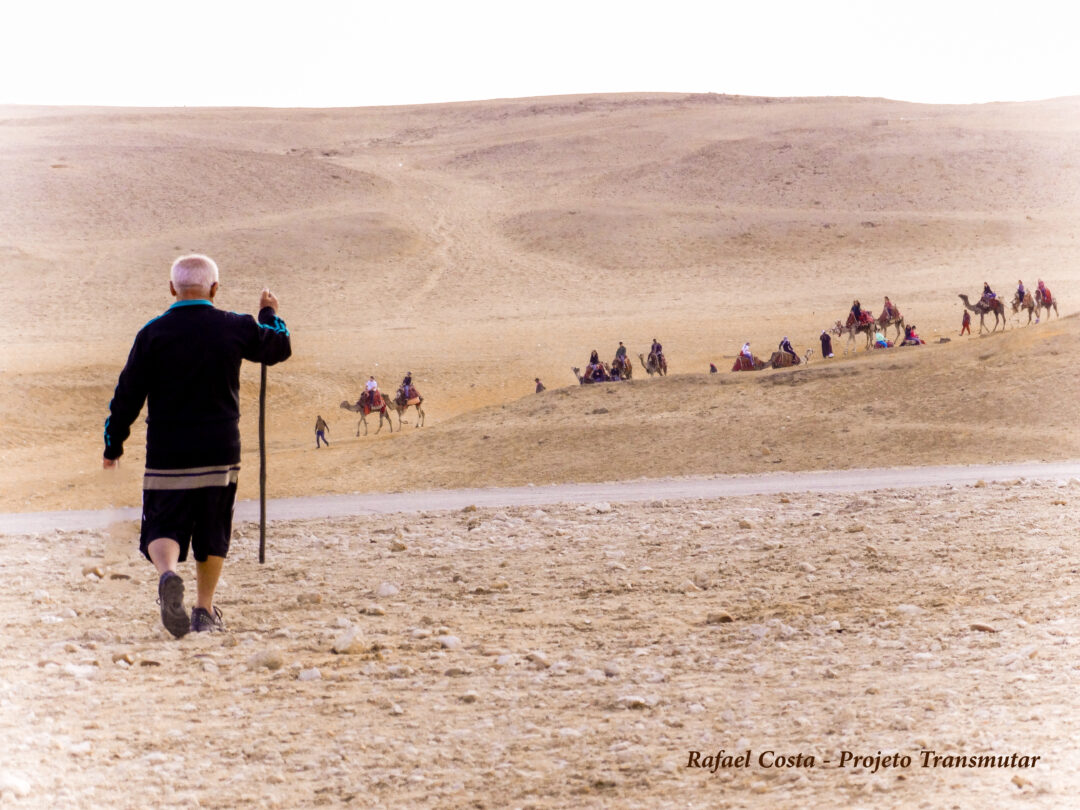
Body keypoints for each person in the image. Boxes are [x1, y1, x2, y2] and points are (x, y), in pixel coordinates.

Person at [103, 254, 291, 637]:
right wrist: (269, 315)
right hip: (220, 450)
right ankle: (203, 612)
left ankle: (168, 574)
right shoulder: (234, 326)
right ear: (215, 289)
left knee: (161, 522)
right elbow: (278, 348)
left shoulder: (153, 333)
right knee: (213, 528)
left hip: (168, 452)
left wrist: (113, 444)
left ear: (173, 288)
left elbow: (127, 395)